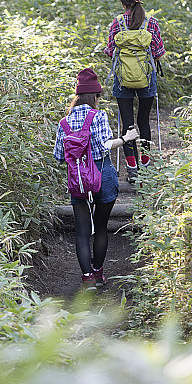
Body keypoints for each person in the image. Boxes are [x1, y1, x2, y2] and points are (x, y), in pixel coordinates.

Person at [53, 68, 140, 287]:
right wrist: (126, 138)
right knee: (100, 227)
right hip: (103, 177)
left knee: (82, 232)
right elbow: (104, 147)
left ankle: (87, 279)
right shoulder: (98, 116)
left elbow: (59, 156)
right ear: (95, 96)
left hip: (78, 181)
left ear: (77, 96)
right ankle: (99, 274)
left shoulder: (64, 122)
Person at [103, 0, 165, 183]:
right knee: (144, 122)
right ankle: (146, 167)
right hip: (146, 79)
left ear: (122, 3)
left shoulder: (117, 23)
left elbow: (110, 51)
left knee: (127, 124)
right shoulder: (151, 22)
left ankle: (132, 169)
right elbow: (158, 53)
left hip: (122, 80)